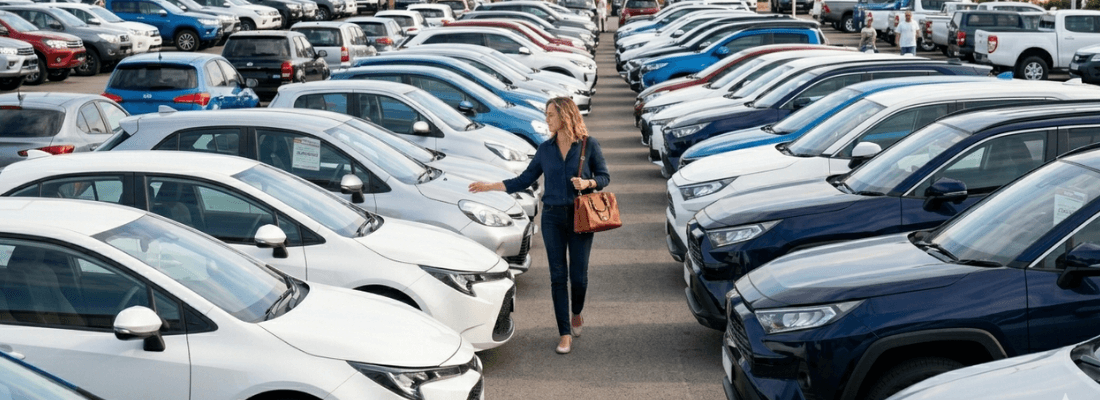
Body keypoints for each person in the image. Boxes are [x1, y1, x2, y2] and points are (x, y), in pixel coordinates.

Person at [468, 97, 610, 355]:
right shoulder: (545, 149)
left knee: (578, 278)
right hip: (553, 218)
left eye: (551, 115)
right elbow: (524, 179)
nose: (547, 120)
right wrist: (492, 186)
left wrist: (588, 184)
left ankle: (576, 312)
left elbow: (604, 177)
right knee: (558, 277)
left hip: (580, 217)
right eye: (546, 115)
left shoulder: (589, 146)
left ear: (565, 116)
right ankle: (564, 333)